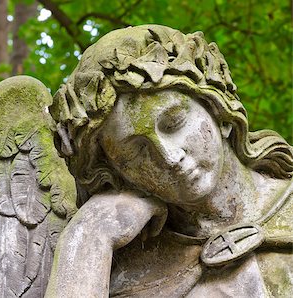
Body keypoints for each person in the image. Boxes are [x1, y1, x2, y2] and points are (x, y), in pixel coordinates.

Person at [46, 25, 292, 297]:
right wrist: (88, 237)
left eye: (175, 123)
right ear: (117, 173)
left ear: (218, 111)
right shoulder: (123, 271)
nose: (170, 157)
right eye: (137, 152)